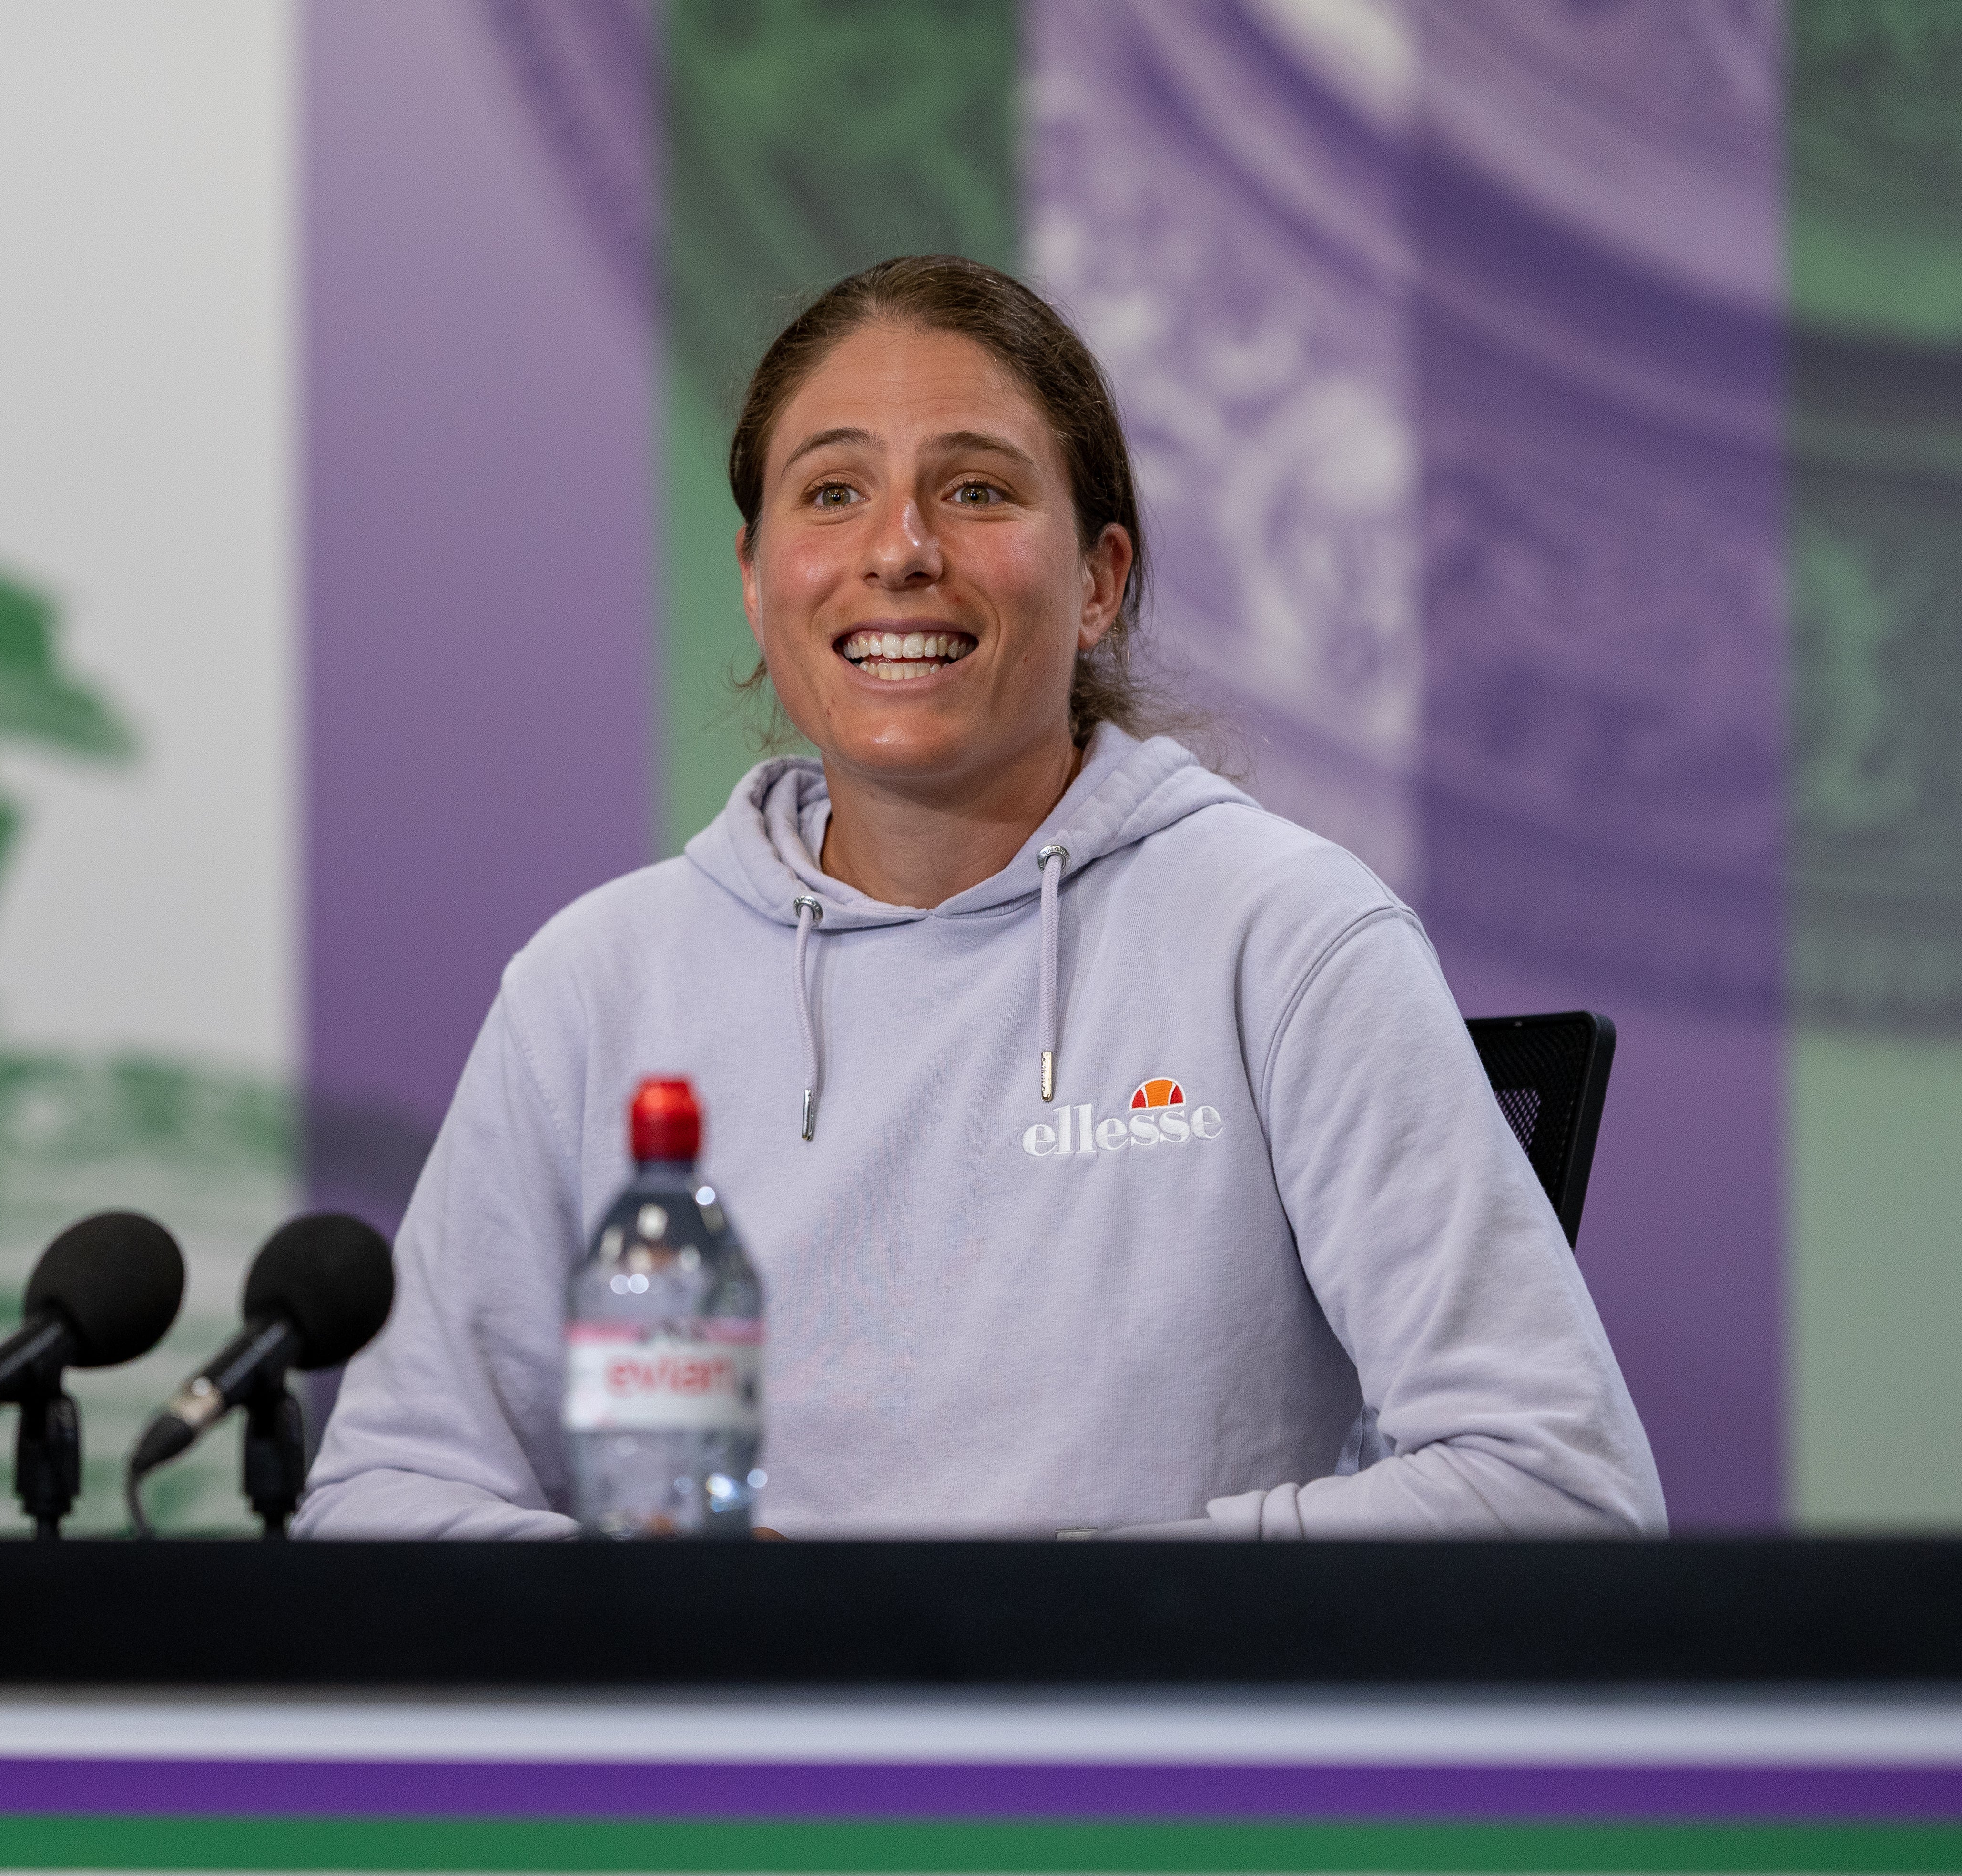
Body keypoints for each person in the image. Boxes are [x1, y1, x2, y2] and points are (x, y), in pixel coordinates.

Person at [296, 256, 1664, 1539]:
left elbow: (1555, 1484)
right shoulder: (594, 986)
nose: (899, 549)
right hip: (726, 1774)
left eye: (977, 491)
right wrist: (690, 1620)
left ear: (1098, 584)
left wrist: (1034, 1620)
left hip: (1130, 1770)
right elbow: (381, 1495)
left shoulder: (1286, 937)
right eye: (832, 493)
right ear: (760, 585)